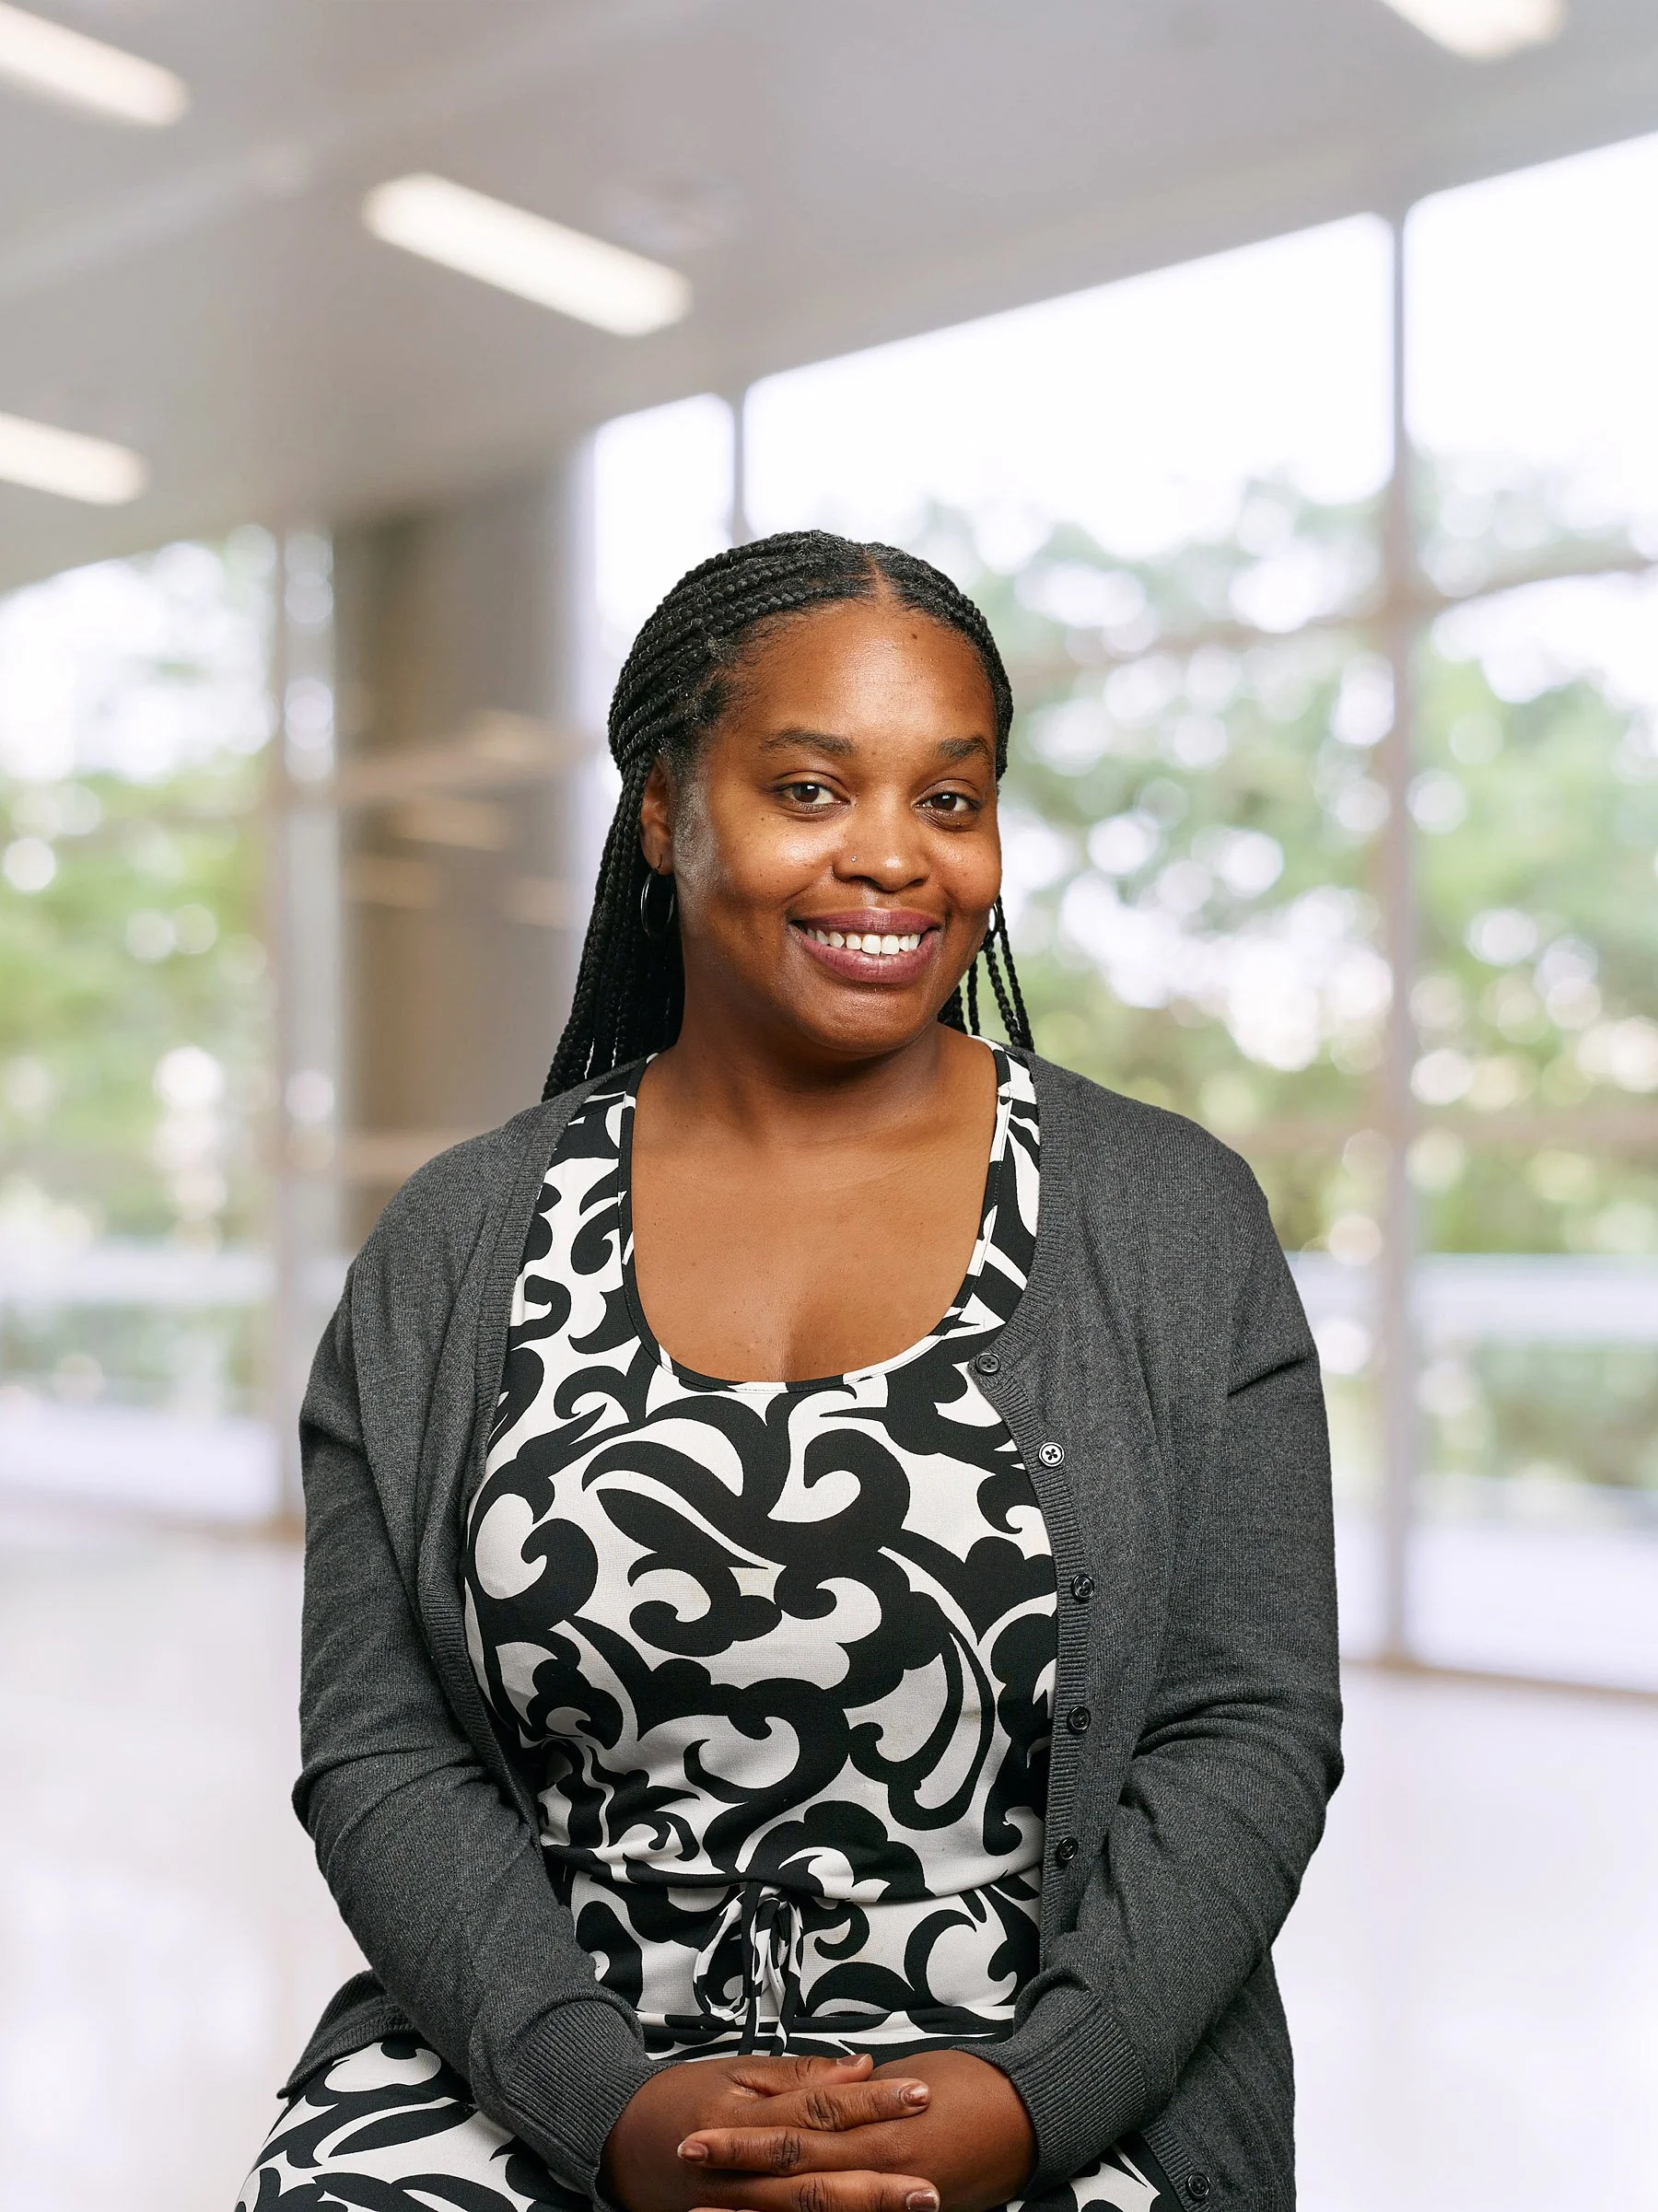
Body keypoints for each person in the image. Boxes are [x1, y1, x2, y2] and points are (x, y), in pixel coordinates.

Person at [238, 530, 1340, 2212]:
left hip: (1038, 2063)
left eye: (950, 800)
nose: (895, 858)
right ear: (665, 810)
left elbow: (1247, 1720)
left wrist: (1027, 2100)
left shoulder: (1169, 1216)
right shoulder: (458, 1245)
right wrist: (610, 2107)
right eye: (813, 790)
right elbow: (382, 1752)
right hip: (538, 2062)